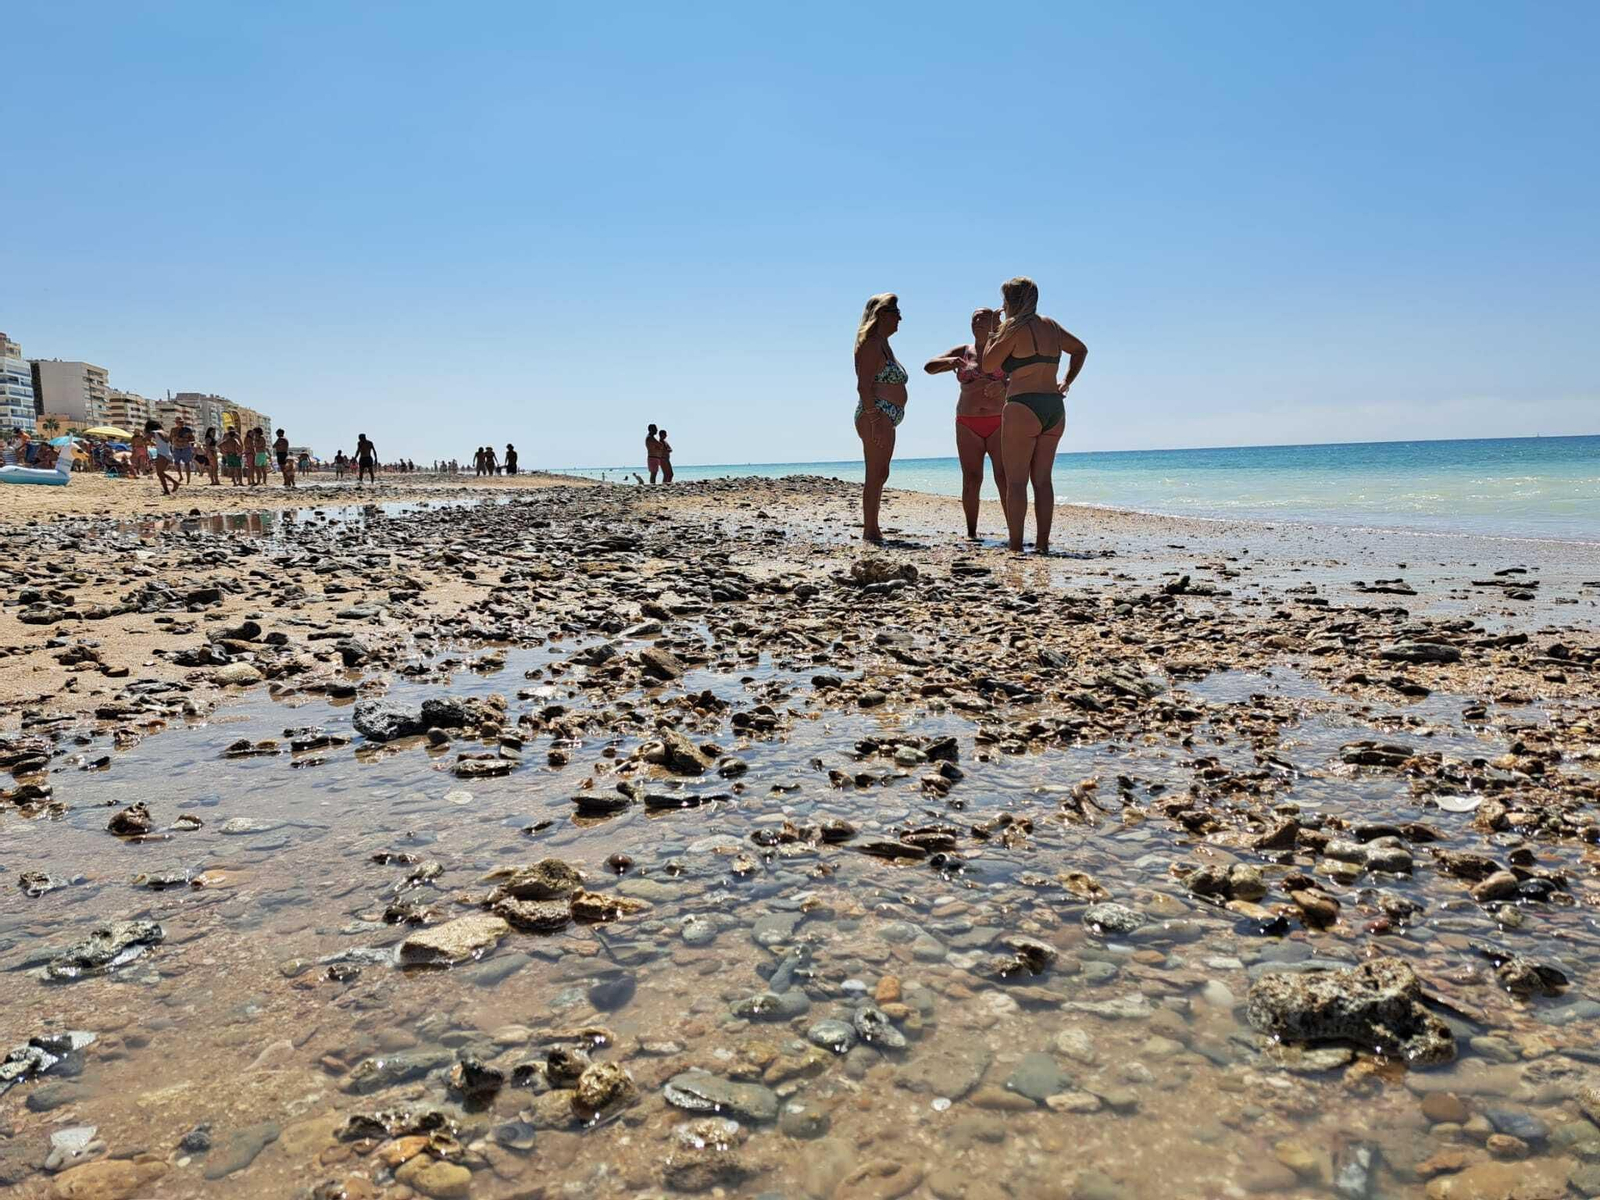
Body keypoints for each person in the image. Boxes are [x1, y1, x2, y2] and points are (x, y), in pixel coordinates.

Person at [980, 276, 1088, 554]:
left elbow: (989, 364)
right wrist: (1066, 381)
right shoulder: (1051, 326)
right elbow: (1080, 349)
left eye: (1004, 301)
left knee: (1016, 481)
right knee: (1043, 480)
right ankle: (1042, 544)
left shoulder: (1012, 329)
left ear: (1010, 302)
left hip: (1022, 406)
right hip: (1053, 406)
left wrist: (994, 331)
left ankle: (1016, 545)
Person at [927, 307, 1010, 540]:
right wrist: (951, 361)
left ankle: (1015, 532)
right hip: (967, 422)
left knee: (1003, 477)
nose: (978, 322)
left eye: (983, 318)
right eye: (974, 319)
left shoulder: (1004, 350)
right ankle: (972, 533)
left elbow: (1024, 376)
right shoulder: (964, 351)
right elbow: (929, 367)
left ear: (996, 322)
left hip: (999, 421)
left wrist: (1005, 385)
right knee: (972, 479)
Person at [853, 293, 908, 544]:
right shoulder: (871, 344)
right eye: (896, 312)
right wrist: (875, 420)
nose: (900, 317)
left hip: (885, 415)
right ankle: (870, 531)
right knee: (874, 473)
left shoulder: (884, 343)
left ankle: (874, 528)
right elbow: (863, 387)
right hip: (875, 414)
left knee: (881, 473)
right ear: (882, 315)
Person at [146, 419, 180, 496]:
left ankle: (168, 489)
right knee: (161, 473)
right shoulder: (165, 433)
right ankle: (174, 484)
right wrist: (155, 443)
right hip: (168, 454)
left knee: (159, 473)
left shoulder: (154, 432)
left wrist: (149, 441)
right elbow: (165, 443)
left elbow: (145, 439)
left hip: (161, 454)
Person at [172, 417, 196, 484]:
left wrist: (191, 445)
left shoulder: (188, 430)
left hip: (186, 448)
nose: (180, 423)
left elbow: (192, 438)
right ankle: (180, 476)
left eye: (181, 422)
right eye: (178, 422)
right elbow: (171, 439)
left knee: (187, 464)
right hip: (177, 448)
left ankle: (188, 479)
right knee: (176, 463)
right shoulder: (173, 430)